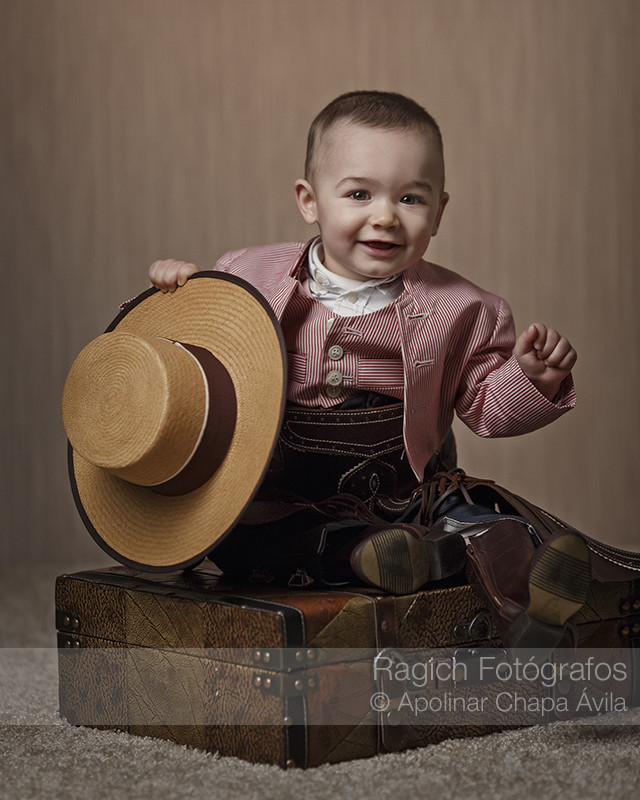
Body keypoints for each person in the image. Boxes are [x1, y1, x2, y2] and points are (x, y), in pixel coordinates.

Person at [147, 90, 587, 649]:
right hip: (278, 490)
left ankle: (526, 605)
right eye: (358, 193)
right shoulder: (245, 274)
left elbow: (485, 409)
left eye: (410, 198)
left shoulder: (464, 308)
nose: (385, 217)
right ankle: (393, 556)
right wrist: (177, 294)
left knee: (478, 508)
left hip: (407, 486)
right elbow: (193, 370)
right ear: (310, 201)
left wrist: (533, 380)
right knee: (260, 543)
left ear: (439, 212)